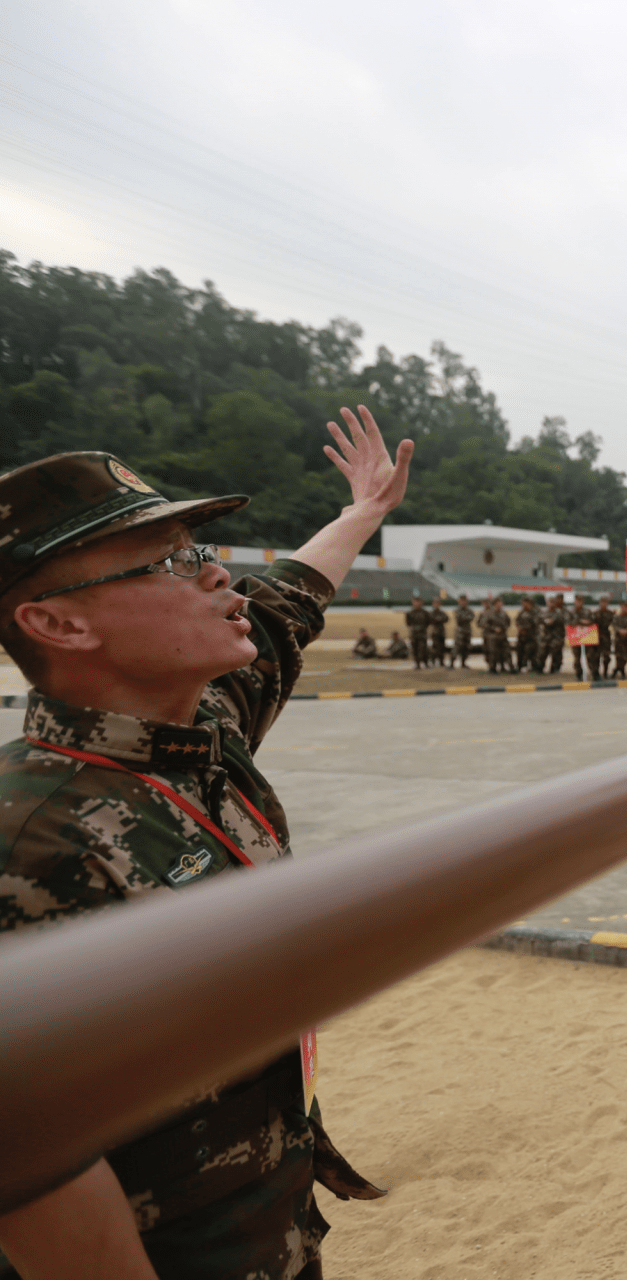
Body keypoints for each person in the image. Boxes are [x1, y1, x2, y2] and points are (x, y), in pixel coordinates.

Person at [0, 411, 408, 1277]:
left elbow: (288, 604)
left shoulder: (199, 730)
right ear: (59, 625)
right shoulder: (28, 843)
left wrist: (363, 511)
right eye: (174, 561)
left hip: (269, 1231)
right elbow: (29, 1166)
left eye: (201, 547)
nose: (219, 570)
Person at [405, 595, 430, 671]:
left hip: (422, 634)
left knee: (423, 649)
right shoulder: (409, 613)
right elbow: (408, 623)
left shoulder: (425, 613)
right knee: (415, 649)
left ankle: (425, 663)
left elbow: (428, 622)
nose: (417, 604)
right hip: (414, 634)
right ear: (413, 603)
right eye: (415, 602)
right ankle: (417, 664)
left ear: (421, 603)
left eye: (418, 602)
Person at [451, 595, 474, 669]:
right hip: (460, 631)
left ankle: (463, 663)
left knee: (466, 647)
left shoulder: (469, 610)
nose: (463, 602)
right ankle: (451, 663)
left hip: (467, 631)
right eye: (462, 601)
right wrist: (466, 618)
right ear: (459, 601)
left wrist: (465, 618)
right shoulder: (457, 610)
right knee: (457, 647)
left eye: (465, 601)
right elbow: (459, 619)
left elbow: (472, 617)